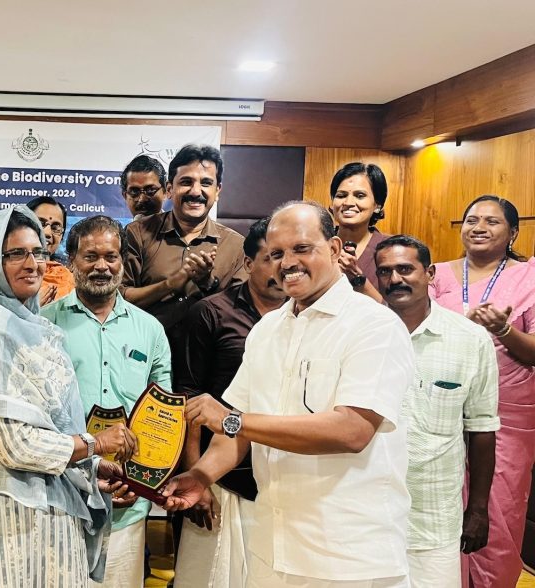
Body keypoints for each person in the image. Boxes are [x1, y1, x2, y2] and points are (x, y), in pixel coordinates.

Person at [163, 201, 414, 587]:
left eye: (301, 248)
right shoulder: (267, 330)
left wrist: (232, 420)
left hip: (348, 555)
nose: (287, 263)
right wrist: (201, 475)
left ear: (334, 248)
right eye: (277, 253)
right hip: (271, 545)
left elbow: (352, 431)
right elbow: (237, 433)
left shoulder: (374, 325)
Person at [0, 206, 137, 587]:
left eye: (38, 252)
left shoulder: (33, 328)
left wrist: (88, 468)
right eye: (15, 254)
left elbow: (50, 430)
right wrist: (95, 444)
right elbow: (16, 445)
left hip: (41, 533)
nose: (32, 264)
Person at [41, 215, 172, 587]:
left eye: (111, 257)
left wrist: (138, 483)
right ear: (71, 261)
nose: (102, 266)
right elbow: (36, 414)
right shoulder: (44, 325)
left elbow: (163, 417)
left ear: (122, 262)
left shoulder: (150, 330)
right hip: (62, 496)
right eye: (90, 256)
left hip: (127, 501)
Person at [375, 235, 499, 587]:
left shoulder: (470, 339)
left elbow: (482, 429)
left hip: (434, 518)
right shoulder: (363, 335)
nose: (395, 279)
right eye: (384, 271)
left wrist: (478, 509)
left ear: (429, 273)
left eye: (405, 269)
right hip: (368, 514)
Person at [171, 217, 286, 588]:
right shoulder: (210, 313)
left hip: (283, 478)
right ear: (248, 263)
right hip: (221, 474)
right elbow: (189, 398)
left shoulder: (302, 319)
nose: (282, 268)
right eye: (271, 258)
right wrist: (198, 476)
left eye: (287, 257)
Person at [429, 195, 535, 587]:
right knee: (441, 506)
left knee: (499, 509)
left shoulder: (530, 278)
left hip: (508, 414)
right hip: (441, 409)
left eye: (492, 221)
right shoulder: (436, 274)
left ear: (513, 232)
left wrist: (503, 330)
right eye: (472, 219)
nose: (479, 227)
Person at [121, 144, 247, 346]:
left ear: (217, 191)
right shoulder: (138, 233)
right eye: (186, 182)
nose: (195, 191)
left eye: (206, 183)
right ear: (170, 189)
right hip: (144, 353)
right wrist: (169, 285)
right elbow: (119, 297)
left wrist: (208, 284)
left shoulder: (237, 246)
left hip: (207, 357)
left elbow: (239, 316)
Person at [329, 162, 390, 302]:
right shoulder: (319, 243)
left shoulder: (392, 249)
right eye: (341, 195)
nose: (348, 202)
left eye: (360, 195)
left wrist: (357, 278)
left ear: (377, 205)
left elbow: (400, 310)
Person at [27, 195, 75, 304]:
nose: (47, 233)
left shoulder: (70, 279)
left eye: (55, 228)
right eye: (40, 224)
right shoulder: (8, 273)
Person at [120, 155, 167, 220]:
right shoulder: (118, 227)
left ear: (165, 192)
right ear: (125, 196)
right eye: (134, 191)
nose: (142, 199)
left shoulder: (178, 226)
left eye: (150, 190)